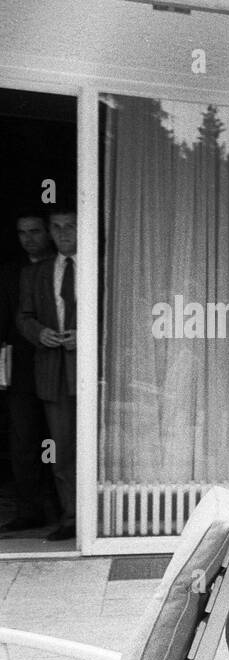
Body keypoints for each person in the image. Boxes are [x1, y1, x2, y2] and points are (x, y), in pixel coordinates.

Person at [16, 207, 77, 542]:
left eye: (70, 226)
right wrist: (39, 333)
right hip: (53, 372)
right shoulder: (36, 273)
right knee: (63, 449)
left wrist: (86, 335)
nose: (63, 233)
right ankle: (72, 517)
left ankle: (103, 515)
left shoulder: (98, 267)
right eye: (56, 227)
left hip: (90, 370)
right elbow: (23, 316)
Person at [0, 211, 55, 534]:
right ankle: (29, 510)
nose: (28, 238)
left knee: (62, 441)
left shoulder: (66, 266)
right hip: (21, 370)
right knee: (23, 444)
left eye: (35, 231)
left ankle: (66, 511)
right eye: (22, 233)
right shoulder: (9, 273)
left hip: (57, 366)